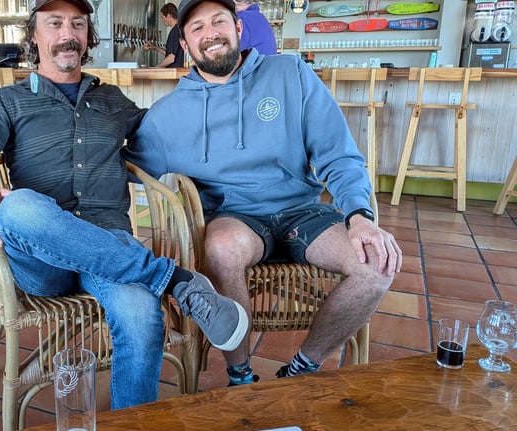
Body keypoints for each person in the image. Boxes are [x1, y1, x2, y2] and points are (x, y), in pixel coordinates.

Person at [0, 0, 248, 409]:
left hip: (109, 245)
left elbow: (166, 132)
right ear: (34, 35)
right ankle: (174, 280)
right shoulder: (8, 102)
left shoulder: (112, 100)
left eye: (77, 24)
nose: (67, 34)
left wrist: (216, 88)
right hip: (44, 262)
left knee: (141, 315)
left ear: (86, 36)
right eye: (55, 24)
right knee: (19, 206)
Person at [127, 0, 402, 386]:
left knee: (376, 264)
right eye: (197, 28)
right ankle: (240, 376)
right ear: (186, 45)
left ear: (238, 28)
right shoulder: (166, 115)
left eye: (219, 21)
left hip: (303, 212)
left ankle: (303, 368)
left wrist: (359, 216)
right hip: (235, 219)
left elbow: (338, 153)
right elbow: (127, 167)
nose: (211, 33)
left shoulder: (290, 73)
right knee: (220, 249)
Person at [145, 3, 185, 67]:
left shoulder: (175, 31)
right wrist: (155, 47)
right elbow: (170, 54)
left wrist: (156, 67)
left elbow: (171, 58)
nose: (163, 21)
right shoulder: (179, 29)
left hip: (175, 72)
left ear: (169, 16)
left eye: (163, 18)